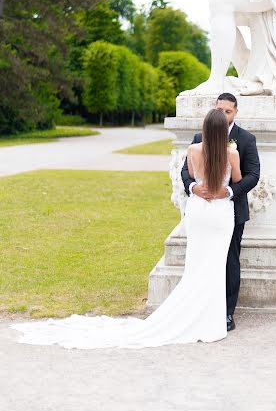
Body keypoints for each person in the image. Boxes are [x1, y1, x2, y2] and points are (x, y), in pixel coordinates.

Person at [10, 108, 244, 349]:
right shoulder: (232, 154)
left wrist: (198, 187)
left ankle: (194, 317)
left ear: (205, 128)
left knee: (195, 266)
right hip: (219, 214)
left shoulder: (193, 150)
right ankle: (209, 322)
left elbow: (192, 175)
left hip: (199, 213)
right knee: (215, 268)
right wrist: (220, 189)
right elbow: (237, 181)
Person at [181, 93, 260, 332]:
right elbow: (186, 173)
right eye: (220, 110)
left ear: (236, 112)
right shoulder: (197, 140)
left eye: (228, 111)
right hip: (204, 208)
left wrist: (227, 192)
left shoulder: (246, 140)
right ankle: (199, 309)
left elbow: (253, 175)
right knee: (201, 258)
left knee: (229, 261)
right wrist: (194, 187)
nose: (224, 114)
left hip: (231, 209)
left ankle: (226, 312)